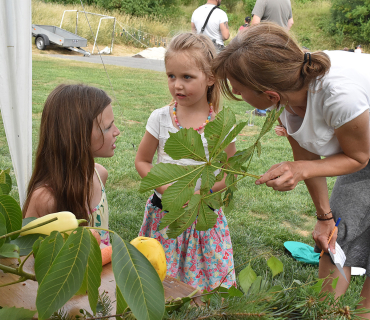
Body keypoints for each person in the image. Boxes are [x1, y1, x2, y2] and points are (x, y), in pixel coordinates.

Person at [213, 22, 370, 317]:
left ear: (270, 95)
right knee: (338, 229)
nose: (235, 91)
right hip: (360, 145)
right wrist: (324, 217)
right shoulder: (286, 97)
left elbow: (360, 157)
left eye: (239, 87)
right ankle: (320, 312)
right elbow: (307, 157)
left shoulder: (338, 95)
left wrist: (300, 168)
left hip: (362, 147)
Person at [135, 33, 236, 292]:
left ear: (211, 78)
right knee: (159, 283)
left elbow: (229, 174)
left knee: (203, 291)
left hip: (203, 217)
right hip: (164, 215)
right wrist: (169, 191)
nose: (177, 85)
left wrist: (199, 195)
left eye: (187, 77)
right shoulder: (160, 118)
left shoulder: (221, 124)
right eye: (171, 76)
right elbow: (143, 161)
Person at [23, 84, 120, 245]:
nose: (117, 131)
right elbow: (26, 257)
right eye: (108, 127)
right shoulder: (45, 199)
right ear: (77, 136)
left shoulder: (99, 175)